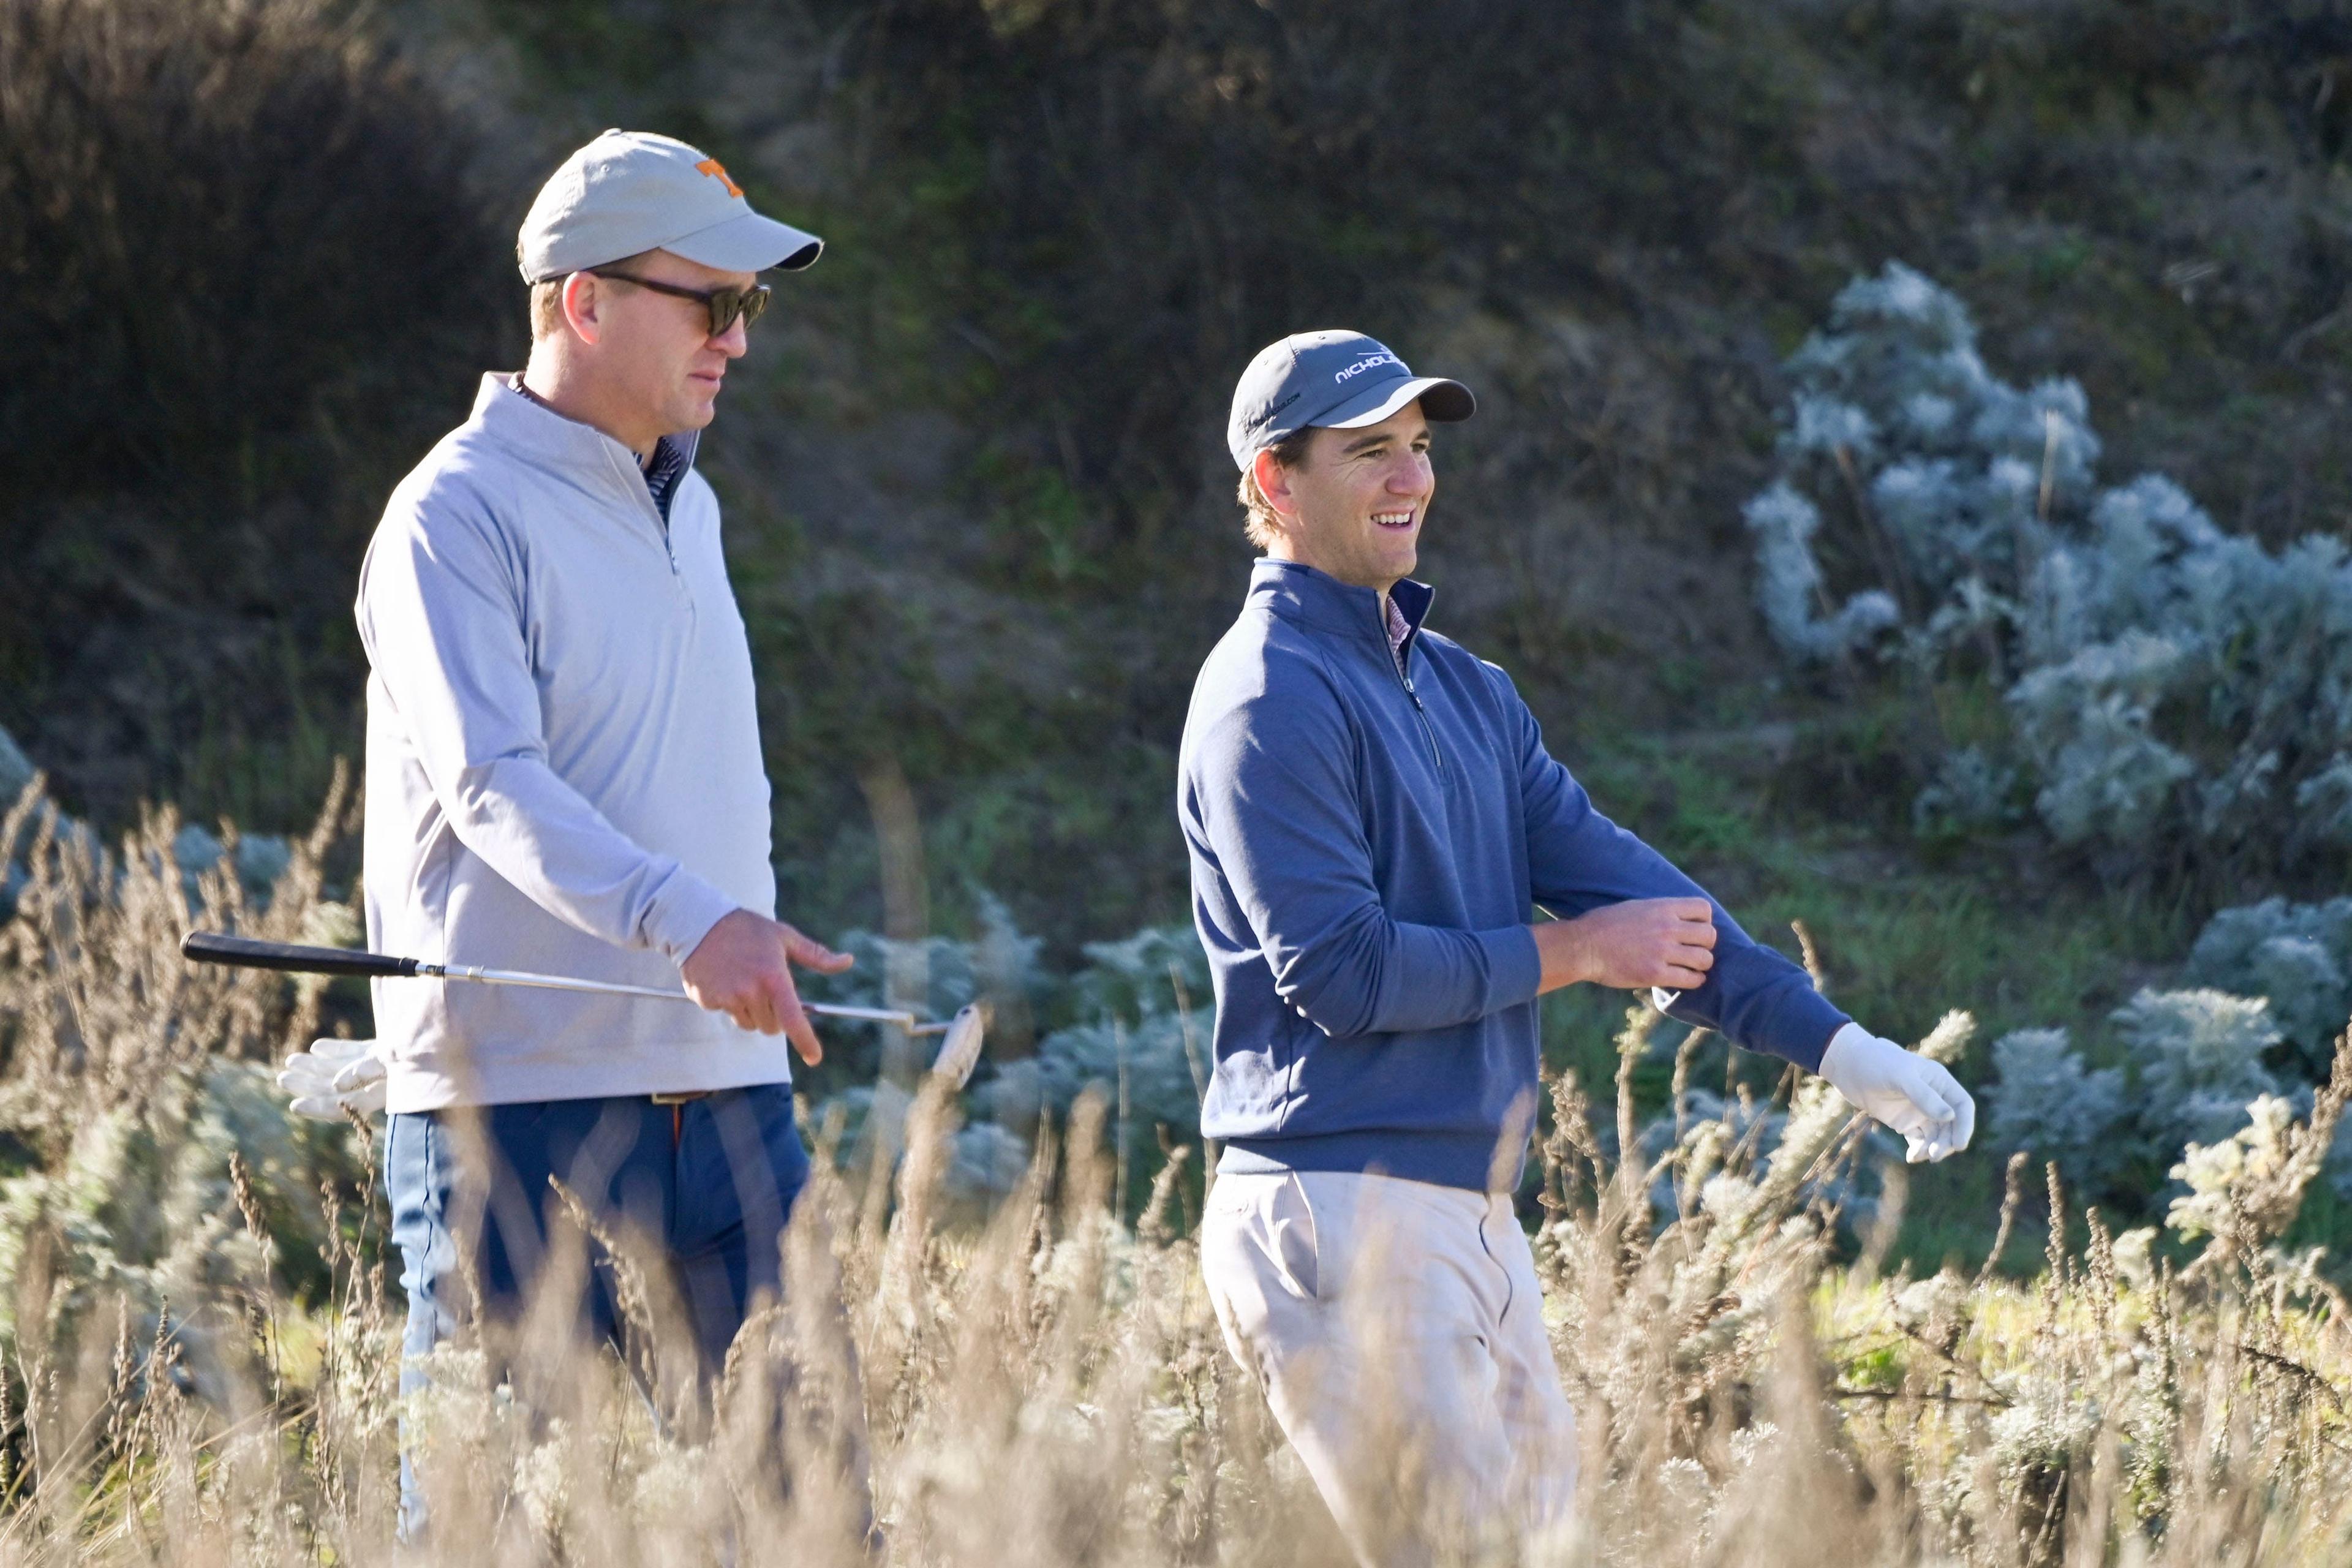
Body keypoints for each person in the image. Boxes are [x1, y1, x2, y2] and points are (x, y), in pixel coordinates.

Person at [1182, 330, 1975, 1565]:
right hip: (1336, 1208)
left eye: (1420, 447)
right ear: (1275, 483)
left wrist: (1839, 1048)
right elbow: (1341, 974)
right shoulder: (1267, 694)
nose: (1411, 479)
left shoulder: (1465, 690)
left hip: (1473, 1221)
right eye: (1368, 452)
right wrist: (1576, 954)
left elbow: (1646, 901)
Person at [345, 128, 851, 1532]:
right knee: (489, 1529)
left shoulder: (695, 508)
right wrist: (693, 919)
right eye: (715, 304)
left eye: (749, 309)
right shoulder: (453, 514)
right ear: (584, 301)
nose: (738, 343)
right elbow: (492, 780)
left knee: (816, 1525)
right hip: (516, 1110)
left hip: (733, 1100)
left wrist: (722, 939)